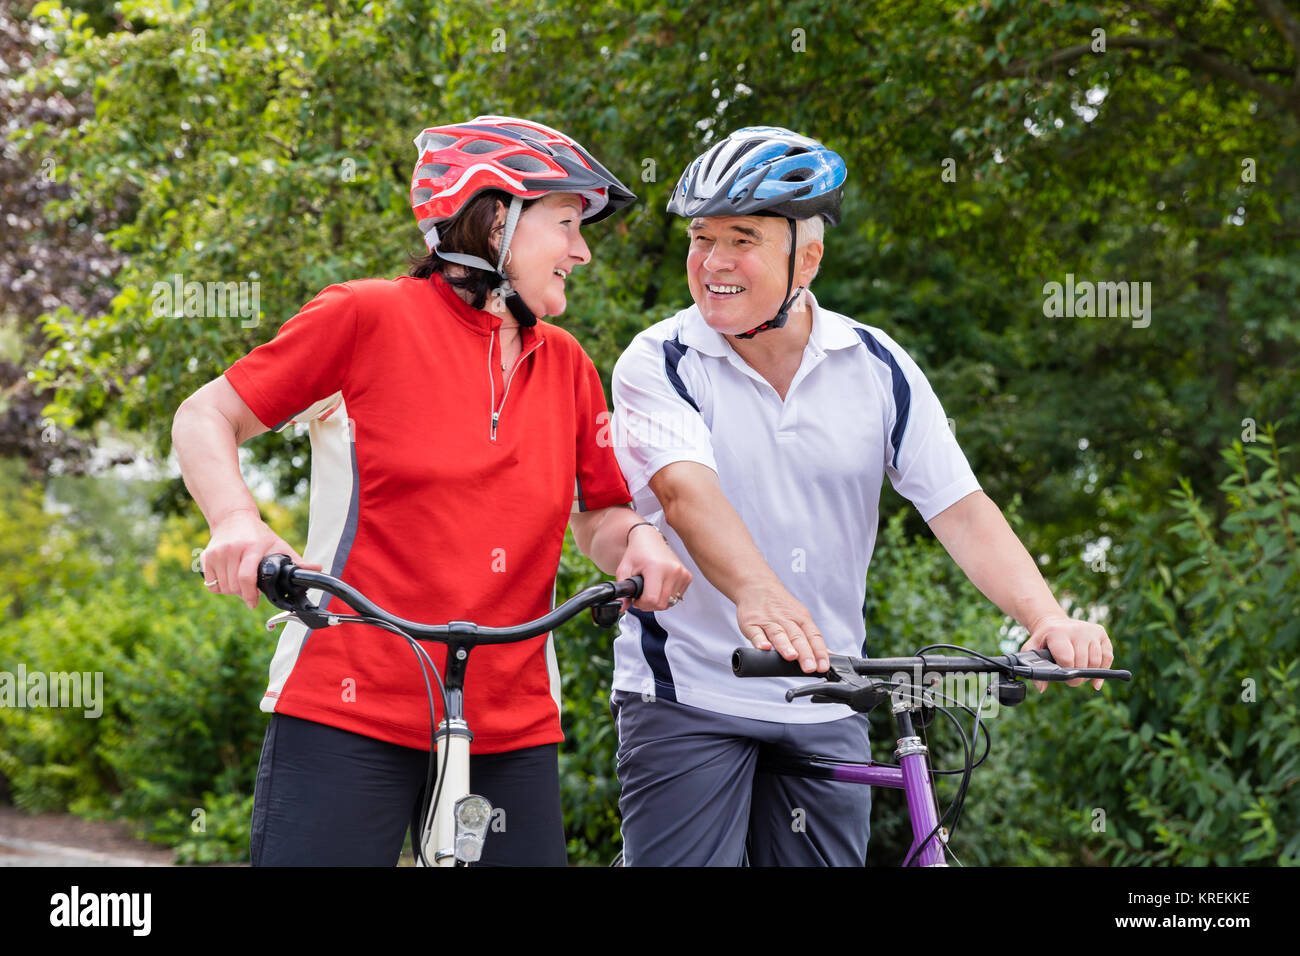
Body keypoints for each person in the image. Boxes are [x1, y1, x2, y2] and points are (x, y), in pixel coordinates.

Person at [171, 115, 692, 866]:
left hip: (508, 720)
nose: (581, 250)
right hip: (348, 700)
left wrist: (638, 539)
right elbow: (204, 415)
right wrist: (235, 522)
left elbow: (601, 515)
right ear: (494, 217)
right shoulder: (365, 316)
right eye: (568, 223)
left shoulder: (569, 364)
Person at [608, 126, 1114, 866]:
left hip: (827, 694)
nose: (713, 262)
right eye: (700, 238)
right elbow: (686, 494)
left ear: (806, 257)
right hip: (690, 697)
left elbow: (960, 507)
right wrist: (761, 595)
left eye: (741, 238)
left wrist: (1046, 616)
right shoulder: (660, 360)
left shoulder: (876, 364)